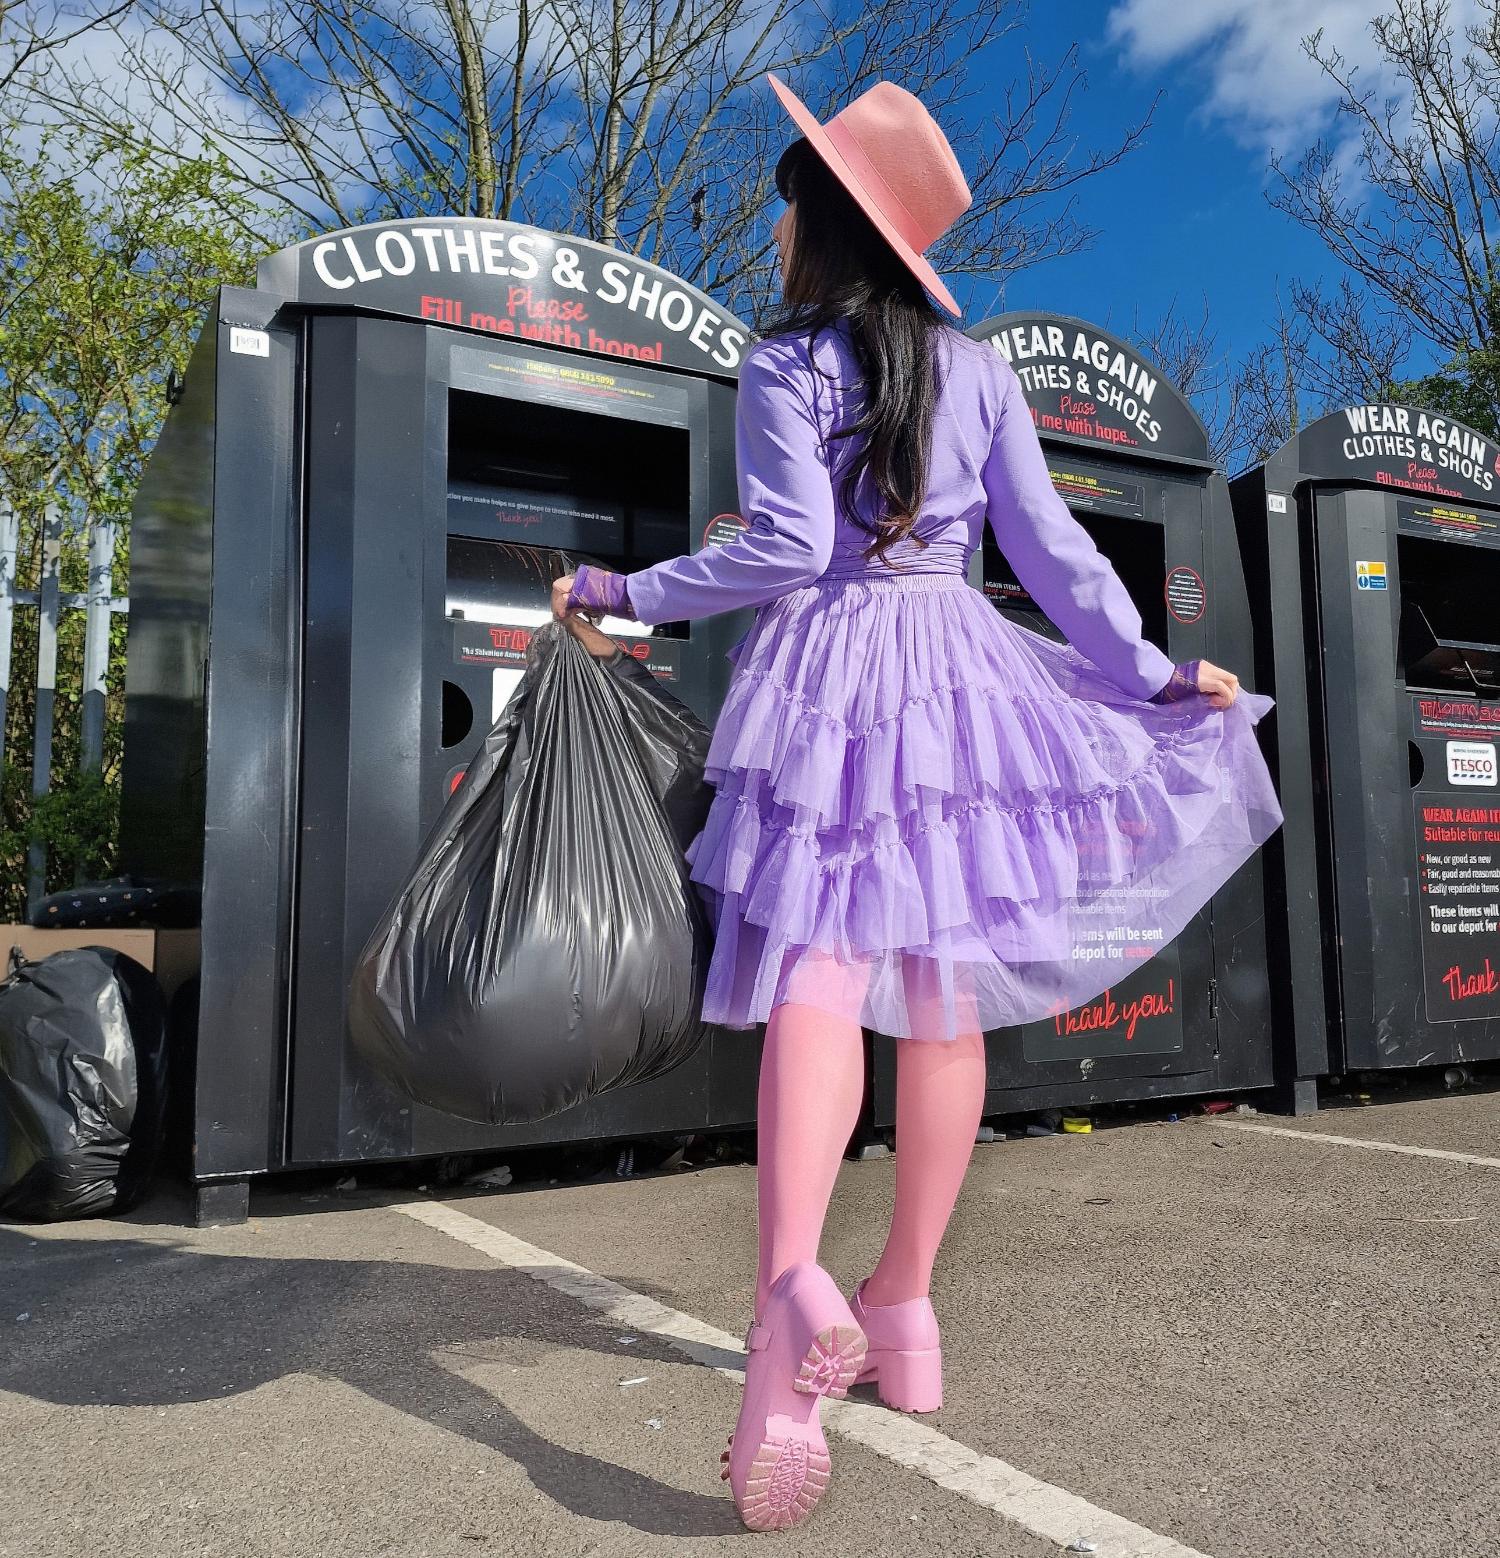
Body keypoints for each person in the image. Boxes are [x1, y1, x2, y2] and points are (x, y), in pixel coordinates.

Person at [551, 74, 1284, 1533]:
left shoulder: (785, 366)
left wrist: (624, 589)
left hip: (834, 674)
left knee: (820, 962)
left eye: (787, 203)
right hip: (958, 669)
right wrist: (1151, 674)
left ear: (823, 220)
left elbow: (782, 549)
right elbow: (1060, 556)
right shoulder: (982, 373)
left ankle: (788, 1300)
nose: (774, 226)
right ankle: (906, 1310)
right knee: (942, 994)